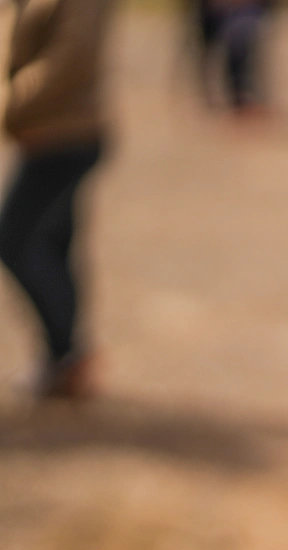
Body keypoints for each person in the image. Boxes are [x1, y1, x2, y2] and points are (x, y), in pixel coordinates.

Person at [0, 0, 113, 398]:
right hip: (50, 131)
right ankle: (64, 359)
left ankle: (68, 358)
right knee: (52, 244)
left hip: (65, 134)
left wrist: (9, 106)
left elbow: (70, 58)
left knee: (14, 239)